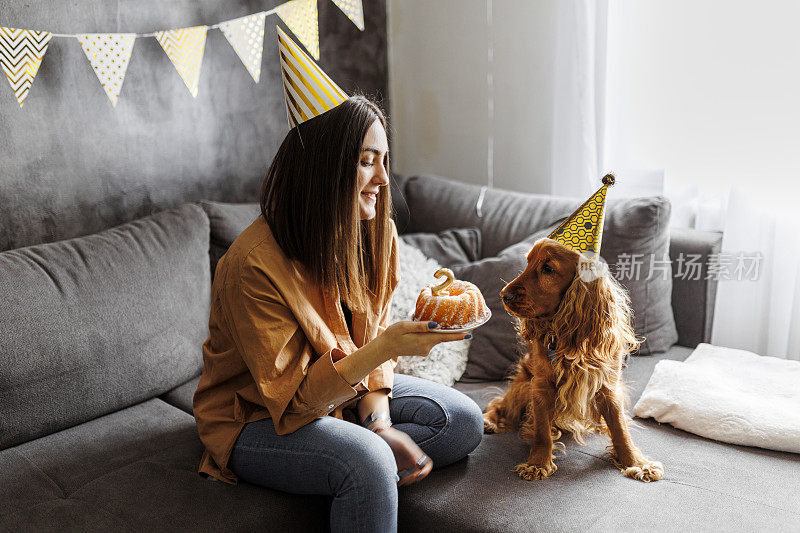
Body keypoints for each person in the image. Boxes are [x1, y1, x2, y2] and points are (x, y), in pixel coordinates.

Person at [193, 26, 483, 533]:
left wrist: (380, 422)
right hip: (256, 417)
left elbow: (368, 343)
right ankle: (354, 477)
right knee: (367, 463)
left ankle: (350, 478)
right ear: (323, 169)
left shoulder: (377, 235)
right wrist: (385, 356)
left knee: (463, 421)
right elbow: (297, 400)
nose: (384, 179)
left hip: (340, 397)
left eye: (385, 161)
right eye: (366, 161)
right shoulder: (251, 265)